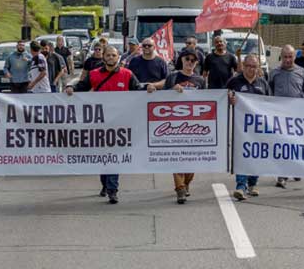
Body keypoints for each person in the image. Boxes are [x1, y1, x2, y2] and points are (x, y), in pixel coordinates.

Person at [66, 46, 141, 204]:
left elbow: (138, 91)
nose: (111, 58)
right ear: (103, 57)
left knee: (114, 156)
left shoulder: (127, 74)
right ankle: (105, 184)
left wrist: (149, 88)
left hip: (120, 124)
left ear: (118, 57)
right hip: (100, 124)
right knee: (103, 156)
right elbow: (82, 87)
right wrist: (71, 88)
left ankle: (112, 190)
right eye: (108, 55)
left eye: (114, 55)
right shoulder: (94, 74)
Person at [152, 48, 206, 204]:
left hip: (194, 127)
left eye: (193, 60)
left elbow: (208, 101)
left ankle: (186, 183)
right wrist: (171, 90)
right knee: (177, 159)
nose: (189, 62)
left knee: (192, 161)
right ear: (181, 60)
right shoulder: (173, 77)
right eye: (187, 59)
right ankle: (180, 189)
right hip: (174, 126)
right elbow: (162, 99)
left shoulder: (200, 81)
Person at [270, 45, 304, 188]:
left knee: (295, 144)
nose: (287, 60)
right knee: (282, 145)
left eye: (290, 57)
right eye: (285, 57)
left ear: (294, 57)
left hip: (296, 116)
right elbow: (268, 92)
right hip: (279, 116)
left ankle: (295, 168)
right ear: (281, 57)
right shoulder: (274, 73)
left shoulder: (301, 71)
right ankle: (282, 175)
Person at [227, 55, 271, 201]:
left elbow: (271, 103)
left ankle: (252, 184)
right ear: (243, 66)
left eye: (254, 66)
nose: (251, 69)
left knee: (256, 154)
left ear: (258, 68)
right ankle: (241, 186)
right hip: (241, 128)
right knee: (242, 154)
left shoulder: (263, 84)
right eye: (248, 66)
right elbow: (223, 98)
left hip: (258, 127)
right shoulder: (234, 82)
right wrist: (229, 99)